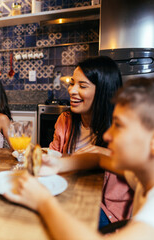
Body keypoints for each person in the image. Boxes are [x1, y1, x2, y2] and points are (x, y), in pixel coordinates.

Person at [5, 75, 154, 240]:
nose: (107, 136)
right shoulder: (147, 174)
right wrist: (58, 165)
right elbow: (99, 159)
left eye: (119, 126)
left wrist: (43, 202)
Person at [49, 56, 133, 228]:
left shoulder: (123, 129)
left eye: (82, 86)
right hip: (70, 194)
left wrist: (102, 152)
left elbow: (141, 173)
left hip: (107, 214)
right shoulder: (65, 120)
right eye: (72, 83)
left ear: (103, 90)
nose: (71, 90)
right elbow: (54, 155)